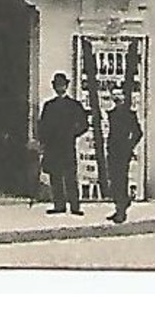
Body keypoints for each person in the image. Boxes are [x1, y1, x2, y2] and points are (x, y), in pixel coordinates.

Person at [37, 72, 89, 216]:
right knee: (55, 176)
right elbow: (42, 125)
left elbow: (84, 124)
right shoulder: (49, 106)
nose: (60, 87)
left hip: (67, 145)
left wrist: (72, 134)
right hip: (53, 146)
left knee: (70, 176)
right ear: (54, 86)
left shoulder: (74, 106)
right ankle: (59, 205)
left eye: (62, 84)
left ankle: (75, 206)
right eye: (57, 85)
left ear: (66, 86)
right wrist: (43, 141)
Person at [104, 88, 144, 223]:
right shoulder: (112, 114)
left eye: (119, 98)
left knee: (121, 180)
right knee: (114, 180)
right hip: (113, 150)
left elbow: (138, 132)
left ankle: (121, 209)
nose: (117, 101)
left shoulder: (129, 114)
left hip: (123, 151)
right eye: (115, 98)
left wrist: (129, 145)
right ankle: (118, 206)